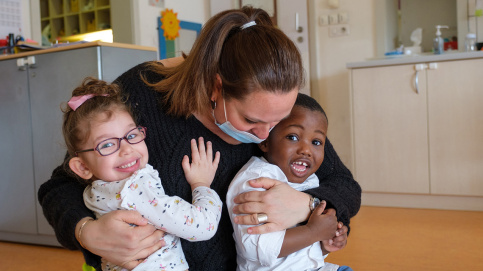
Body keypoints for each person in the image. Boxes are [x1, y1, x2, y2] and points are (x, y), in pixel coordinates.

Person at [38, 6, 361, 271]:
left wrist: (307, 204)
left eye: (278, 120)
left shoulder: (275, 105)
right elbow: (59, 186)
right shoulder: (142, 95)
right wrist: (86, 232)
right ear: (216, 87)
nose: (266, 134)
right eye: (251, 121)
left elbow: (345, 186)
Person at [62, 78, 223, 270]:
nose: (127, 149)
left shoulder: (94, 192)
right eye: (107, 145)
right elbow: (202, 226)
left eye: (131, 135)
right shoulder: (134, 189)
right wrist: (201, 184)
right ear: (82, 168)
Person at [227, 93, 353, 271]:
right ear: (265, 141)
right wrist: (312, 232)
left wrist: (325, 241)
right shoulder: (255, 181)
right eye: (293, 137)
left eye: (316, 141)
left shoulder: (310, 180)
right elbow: (257, 248)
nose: (306, 150)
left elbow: (304, 251)